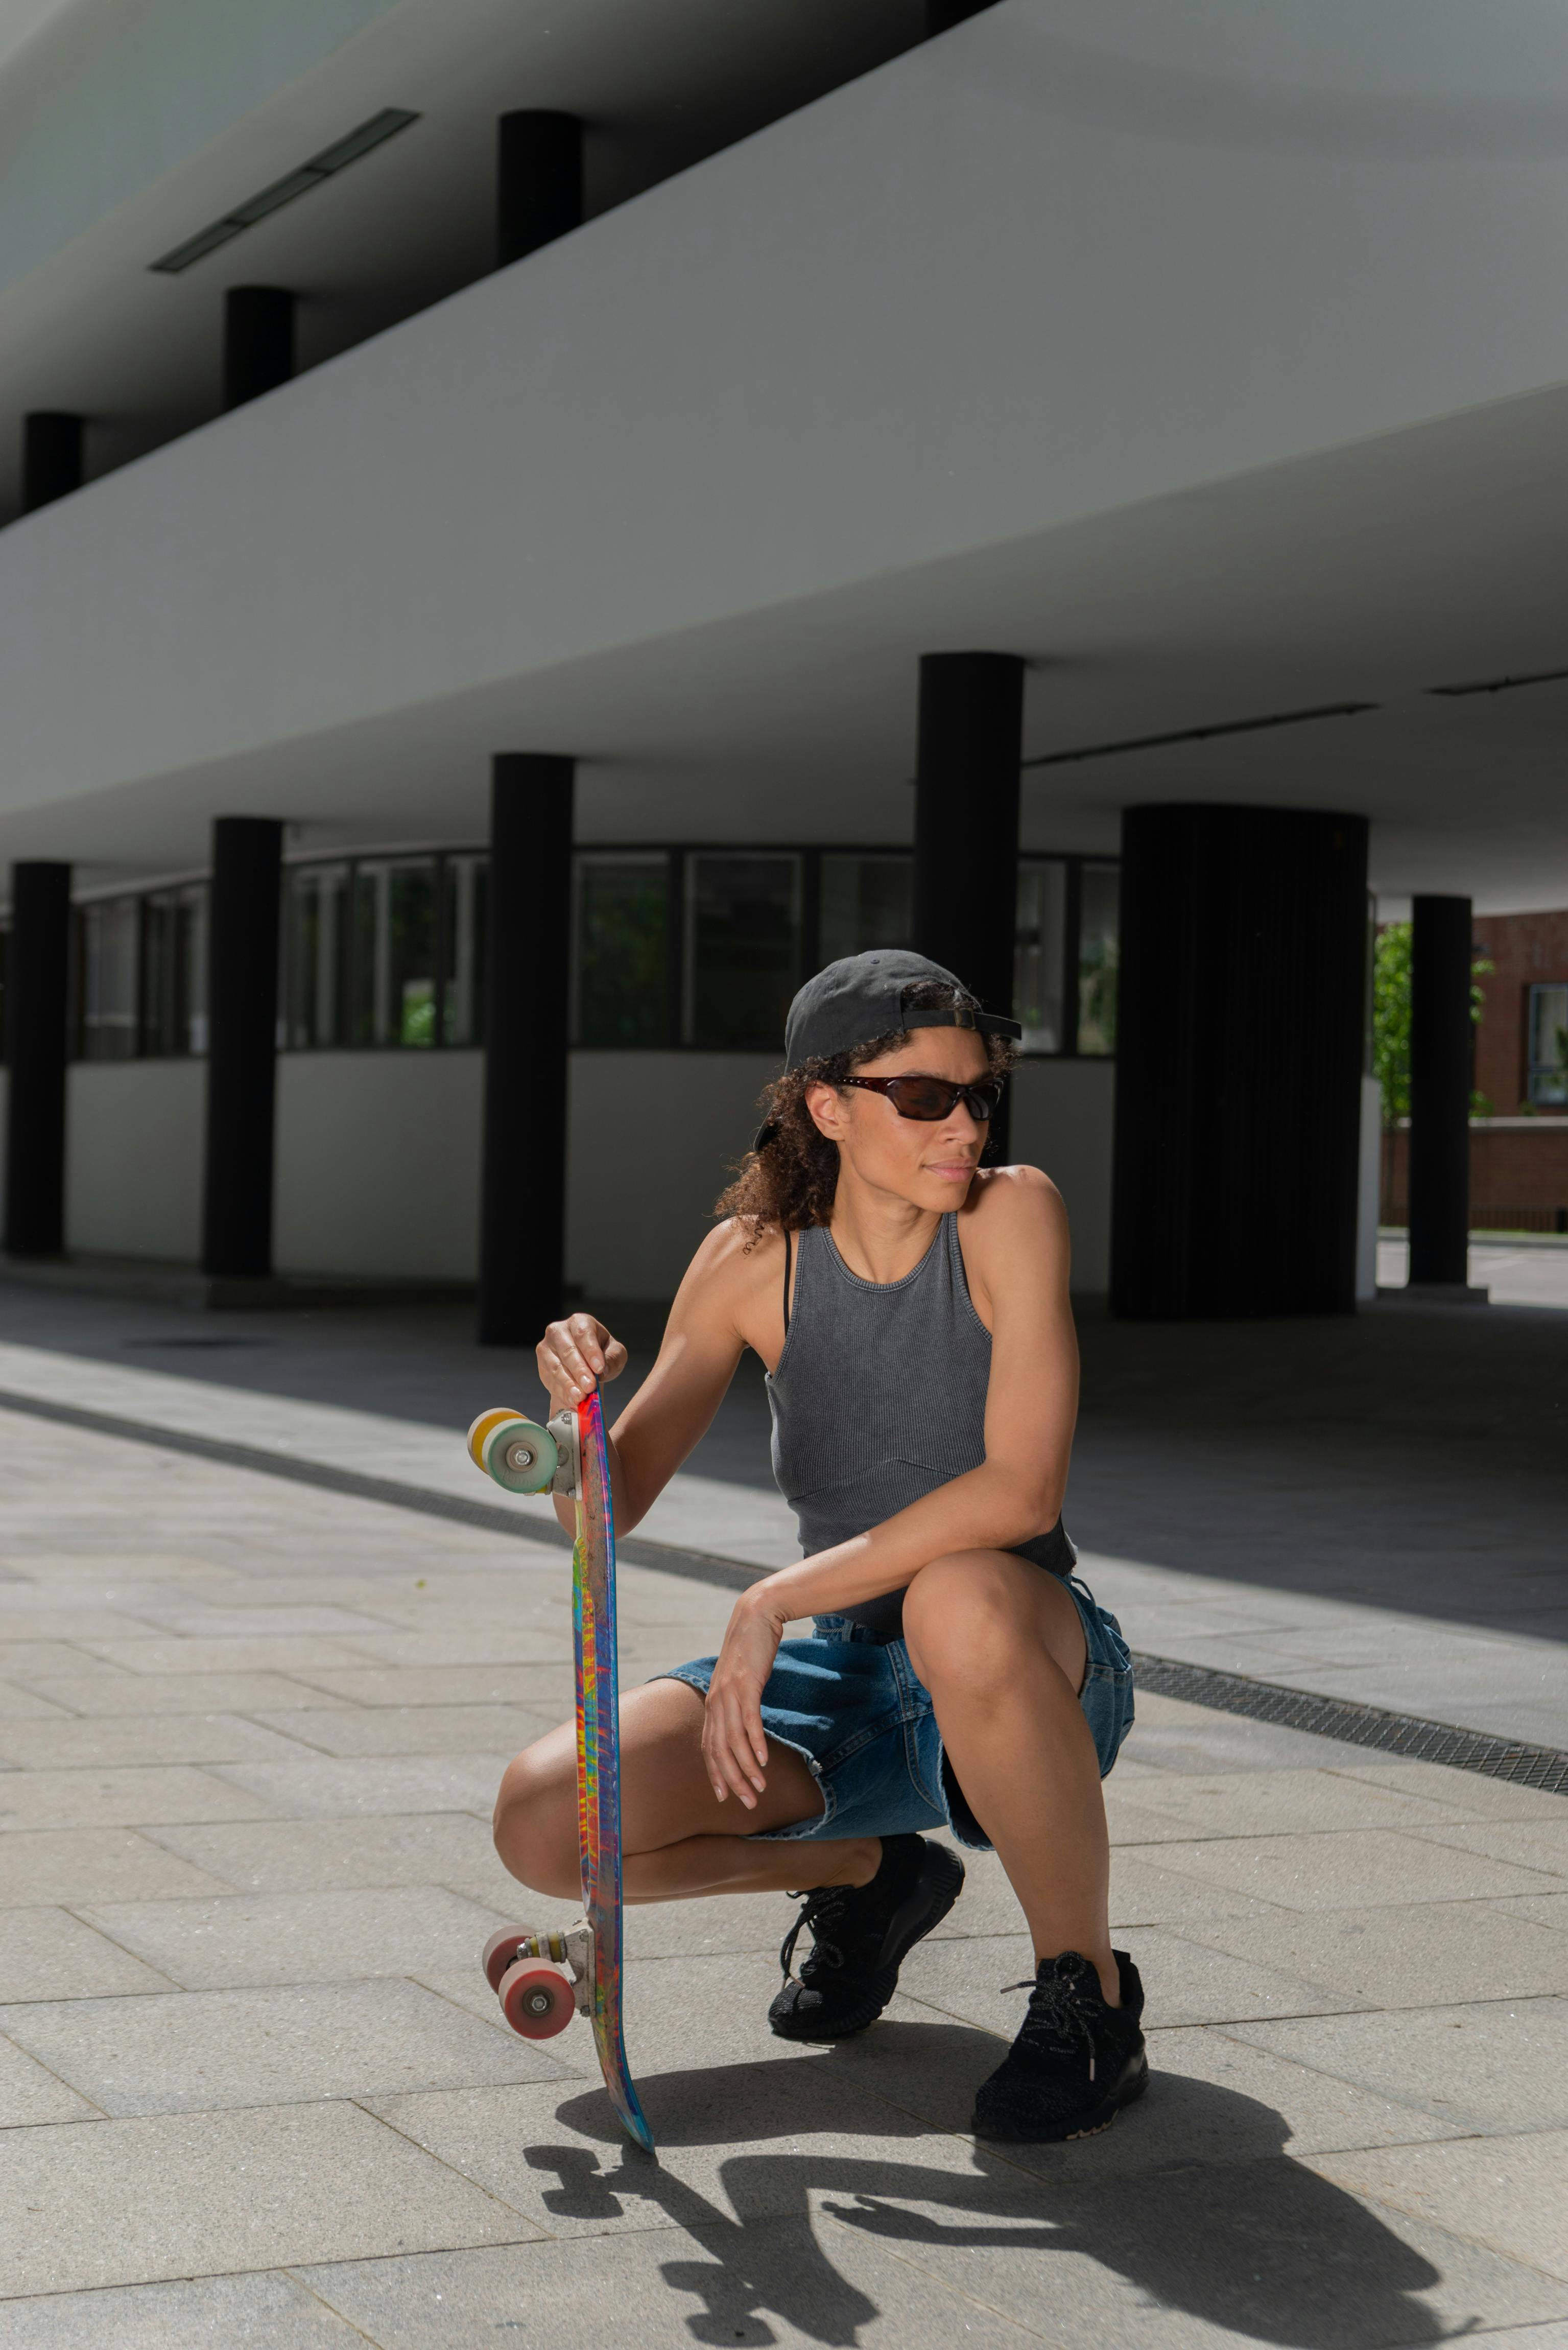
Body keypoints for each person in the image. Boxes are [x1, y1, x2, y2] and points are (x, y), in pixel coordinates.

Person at [493, 948, 1147, 2142]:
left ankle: (1087, 1993)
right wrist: (569, 1413)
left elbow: (1017, 1488)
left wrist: (768, 1601)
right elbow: (605, 1509)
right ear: (827, 1106)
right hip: (844, 1681)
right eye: (923, 1096)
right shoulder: (748, 1260)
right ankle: (872, 1873)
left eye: (974, 1093)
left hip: (1025, 1653)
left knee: (954, 1595)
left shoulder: (1013, 1211)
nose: (962, 1124)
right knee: (544, 1816)